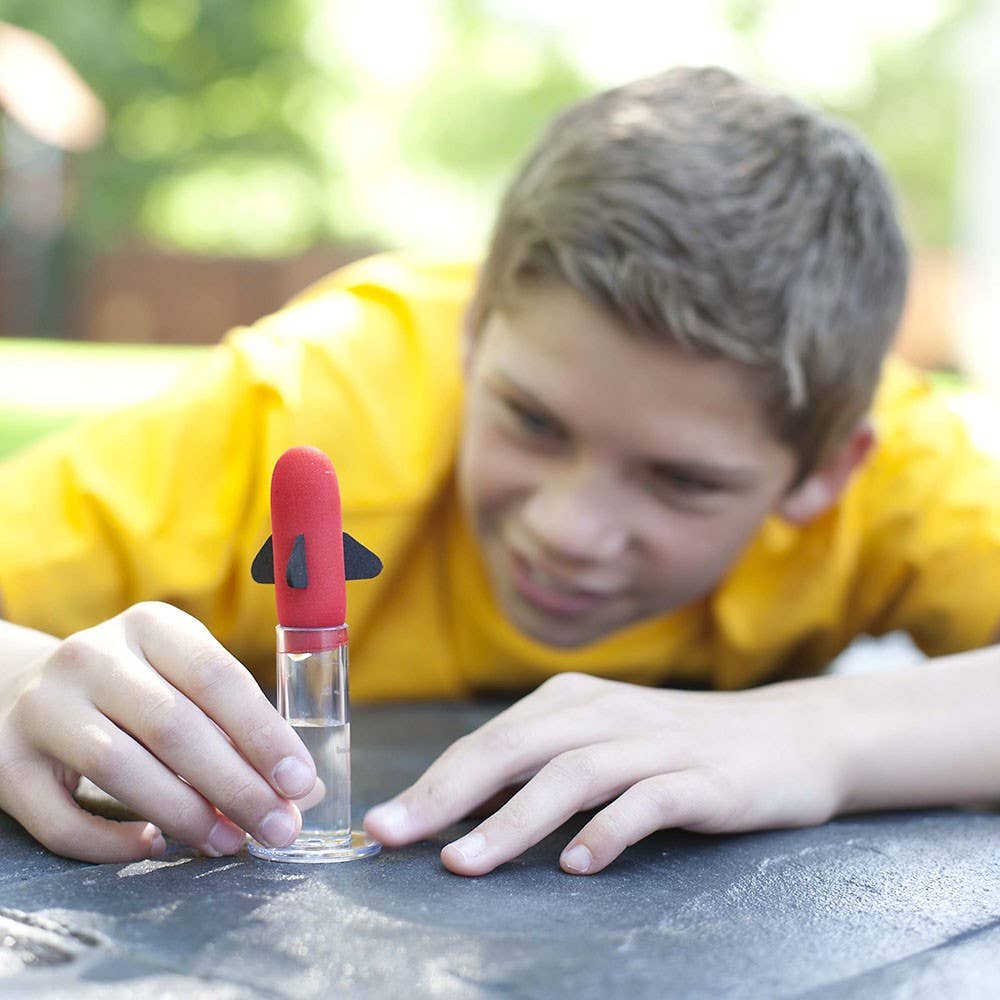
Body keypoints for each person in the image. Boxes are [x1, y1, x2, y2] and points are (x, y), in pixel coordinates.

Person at [2, 66, 999, 875]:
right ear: (473, 336)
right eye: (531, 420)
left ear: (824, 471)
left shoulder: (893, 468)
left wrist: (816, 737)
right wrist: (15, 680)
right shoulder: (304, 405)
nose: (569, 525)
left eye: (681, 481)